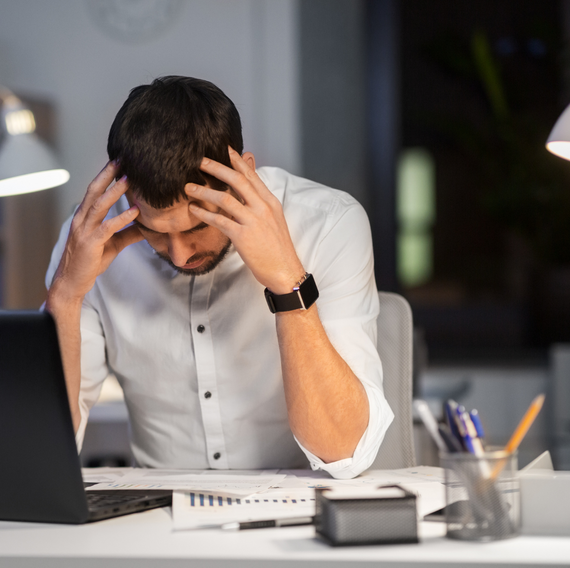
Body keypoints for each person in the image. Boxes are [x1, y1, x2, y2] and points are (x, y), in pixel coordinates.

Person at [45, 76, 392, 479]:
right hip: (157, 517)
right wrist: (65, 296)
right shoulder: (88, 241)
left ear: (242, 174)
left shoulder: (328, 224)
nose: (178, 253)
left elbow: (344, 451)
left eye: (196, 228)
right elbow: (46, 448)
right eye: (154, 231)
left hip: (295, 513)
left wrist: (287, 281)